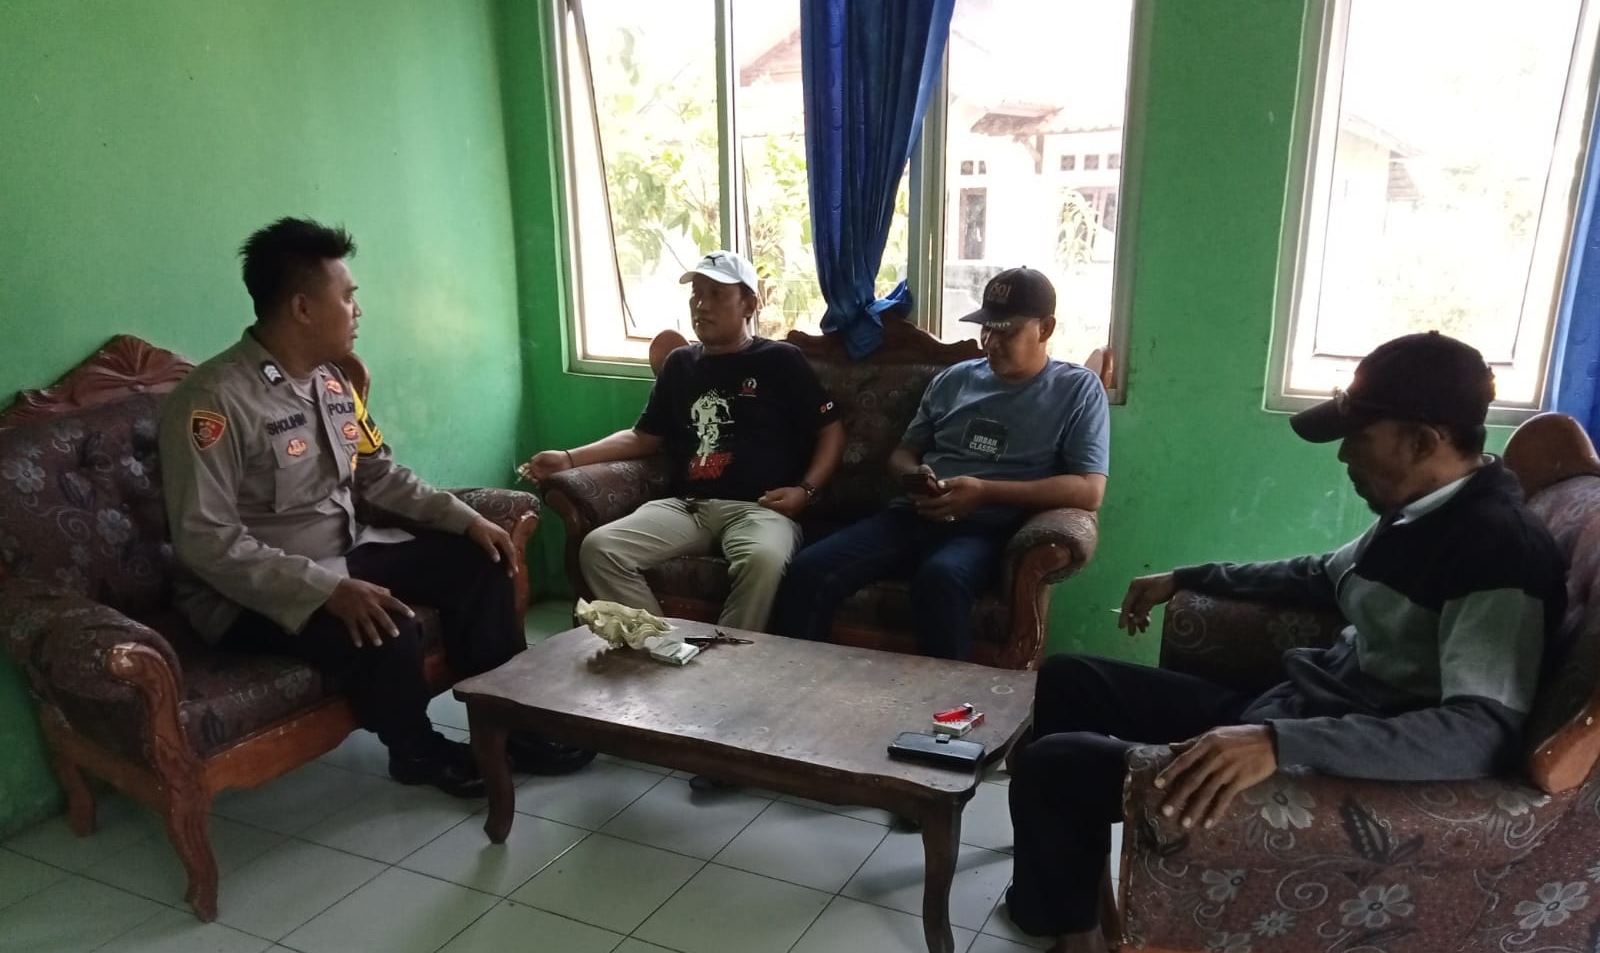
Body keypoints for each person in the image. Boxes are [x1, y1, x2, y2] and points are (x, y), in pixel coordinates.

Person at [1004, 332, 1570, 953]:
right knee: (1067, 679)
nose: (1344, 455)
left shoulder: (1498, 551)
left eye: (1359, 437)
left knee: (1055, 766)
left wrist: (1279, 743)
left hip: (1324, 761)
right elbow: (1322, 575)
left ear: (1422, 441)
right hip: (1290, 712)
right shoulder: (1421, 511)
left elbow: (1479, 731)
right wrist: (1191, 577)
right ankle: (1055, 897)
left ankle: (1076, 941)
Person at [159, 217, 593, 799]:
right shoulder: (213, 401)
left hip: (347, 549)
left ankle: (506, 722)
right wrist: (324, 590)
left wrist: (467, 520)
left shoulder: (332, 383)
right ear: (302, 308)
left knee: (481, 560)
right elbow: (205, 539)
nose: (358, 310)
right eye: (348, 296)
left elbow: (379, 473)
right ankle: (415, 751)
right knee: (387, 626)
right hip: (253, 594)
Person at [769, 266, 1110, 660]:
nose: (990, 343)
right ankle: (798, 684)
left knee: (941, 579)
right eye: (986, 329)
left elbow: (1089, 490)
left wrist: (984, 492)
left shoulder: (1076, 389)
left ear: (1045, 328)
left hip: (986, 527)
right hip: (912, 514)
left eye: (1006, 332)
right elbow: (903, 452)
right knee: (809, 570)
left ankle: (948, 699)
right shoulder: (954, 379)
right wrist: (914, 476)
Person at [521, 250, 845, 633]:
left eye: (716, 294)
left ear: (749, 304)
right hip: (687, 507)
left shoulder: (781, 360)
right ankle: (666, 646)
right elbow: (643, 437)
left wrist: (805, 491)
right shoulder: (680, 364)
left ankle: (729, 658)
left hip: (760, 508)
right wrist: (568, 458)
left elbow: (831, 429)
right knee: (599, 548)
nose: (701, 305)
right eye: (696, 295)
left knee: (764, 559)